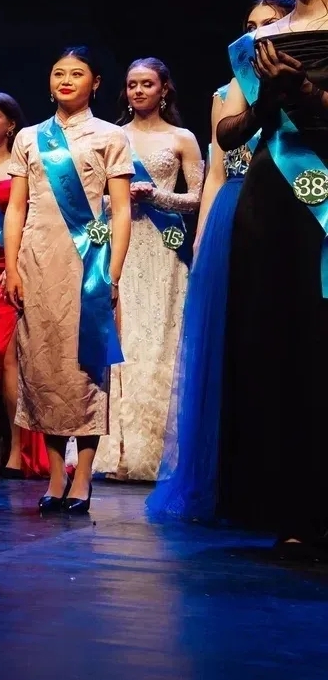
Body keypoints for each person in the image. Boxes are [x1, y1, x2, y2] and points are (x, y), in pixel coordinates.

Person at [147, 0, 292, 522]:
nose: (257, 33)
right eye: (250, 25)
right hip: (233, 210)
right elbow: (214, 172)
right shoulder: (227, 93)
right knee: (228, 343)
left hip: (285, 204)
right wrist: (204, 236)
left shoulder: (303, 83)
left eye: (270, 23)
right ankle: (229, 475)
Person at [214, 0, 328, 555]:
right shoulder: (261, 40)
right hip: (270, 197)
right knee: (276, 340)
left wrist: (306, 93)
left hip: (324, 197)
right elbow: (228, 134)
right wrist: (267, 101)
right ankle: (290, 506)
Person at [4, 47, 132, 516]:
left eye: (77, 73)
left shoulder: (111, 135)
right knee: (43, 367)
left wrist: (111, 272)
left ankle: (83, 474)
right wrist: (12, 266)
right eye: (58, 72)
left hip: (87, 262)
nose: (65, 80)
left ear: (95, 83)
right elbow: (16, 207)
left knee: (84, 368)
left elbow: (120, 210)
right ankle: (56, 475)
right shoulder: (30, 137)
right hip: (37, 260)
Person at [93, 59, 202, 481]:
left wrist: (155, 196)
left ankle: (157, 453)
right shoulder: (111, 135)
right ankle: (114, 452)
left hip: (163, 248)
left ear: (164, 89)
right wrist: (121, 200)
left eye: (147, 84)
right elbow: (93, 199)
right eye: (132, 84)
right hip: (120, 245)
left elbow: (197, 197)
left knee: (158, 342)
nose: (138, 91)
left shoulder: (182, 138)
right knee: (121, 340)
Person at [0, 91, 48, 479]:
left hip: (6, 271)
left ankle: (17, 453)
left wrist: (16, 263)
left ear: (11, 124)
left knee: (8, 360)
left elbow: (30, 218)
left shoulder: (21, 167)